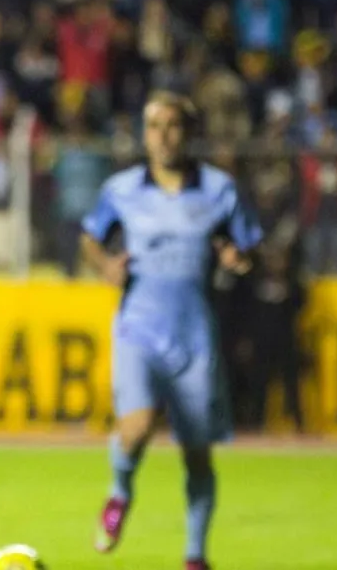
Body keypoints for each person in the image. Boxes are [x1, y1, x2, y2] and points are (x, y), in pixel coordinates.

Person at [80, 91, 263, 570]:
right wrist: (105, 266)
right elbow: (90, 237)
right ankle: (120, 491)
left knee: (198, 454)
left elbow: (247, 248)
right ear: (144, 134)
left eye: (173, 125)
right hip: (138, 327)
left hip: (195, 335)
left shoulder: (220, 189)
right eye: (154, 125)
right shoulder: (122, 189)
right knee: (137, 427)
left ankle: (195, 555)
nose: (162, 136)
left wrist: (237, 259)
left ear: (189, 132)